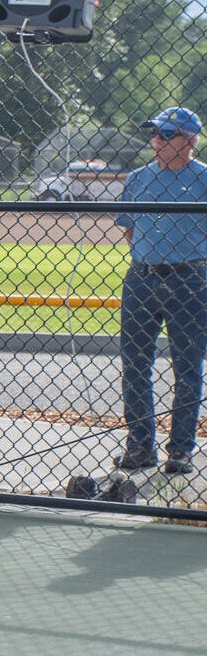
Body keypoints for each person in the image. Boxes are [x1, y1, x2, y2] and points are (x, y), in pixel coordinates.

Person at [113, 106, 207, 475]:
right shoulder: (138, 178)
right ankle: (140, 446)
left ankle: (180, 450)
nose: (156, 141)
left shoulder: (203, 179)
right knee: (135, 364)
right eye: (155, 134)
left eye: (166, 135)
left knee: (188, 367)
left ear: (189, 141)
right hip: (141, 277)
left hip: (190, 279)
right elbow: (130, 229)